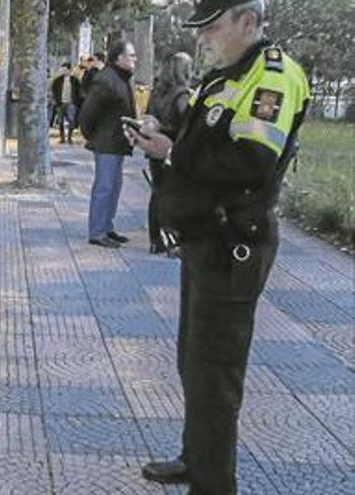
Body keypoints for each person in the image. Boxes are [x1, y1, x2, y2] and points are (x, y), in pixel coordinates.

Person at [126, 1, 310, 493]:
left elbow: (250, 163)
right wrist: (163, 136)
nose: (203, 37)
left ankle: (214, 484)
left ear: (248, 21)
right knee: (194, 362)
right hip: (206, 238)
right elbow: (205, 142)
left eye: (212, 26)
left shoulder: (273, 77)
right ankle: (197, 458)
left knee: (215, 373)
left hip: (233, 244)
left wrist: (173, 151)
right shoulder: (228, 75)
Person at [78, 41, 137, 248]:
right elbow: (88, 111)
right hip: (107, 141)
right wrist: (90, 134)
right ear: (119, 58)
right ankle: (97, 231)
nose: (135, 59)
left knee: (114, 186)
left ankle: (106, 226)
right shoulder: (106, 80)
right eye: (131, 55)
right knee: (105, 186)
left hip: (117, 141)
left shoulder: (120, 78)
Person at [145, 52, 193, 254]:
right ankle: (172, 238)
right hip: (174, 148)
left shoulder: (156, 92)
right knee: (174, 195)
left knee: (157, 193)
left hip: (154, 147)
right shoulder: (183, 95)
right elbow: (187, 123)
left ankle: (155, 240)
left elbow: (149, 116)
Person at [51, 63, 80, 144]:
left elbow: (78, 91)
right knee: (60, 121)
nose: (63, 71)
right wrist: (57, 100)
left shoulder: (75, 80)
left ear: (69, 70)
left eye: (65, 69)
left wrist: (76, 102)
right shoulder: (57, 80)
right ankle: (62, 138)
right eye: (62, 69)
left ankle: (69, 138)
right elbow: (54, 90)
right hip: (60, 103)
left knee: (71, 120)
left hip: (71, 103)